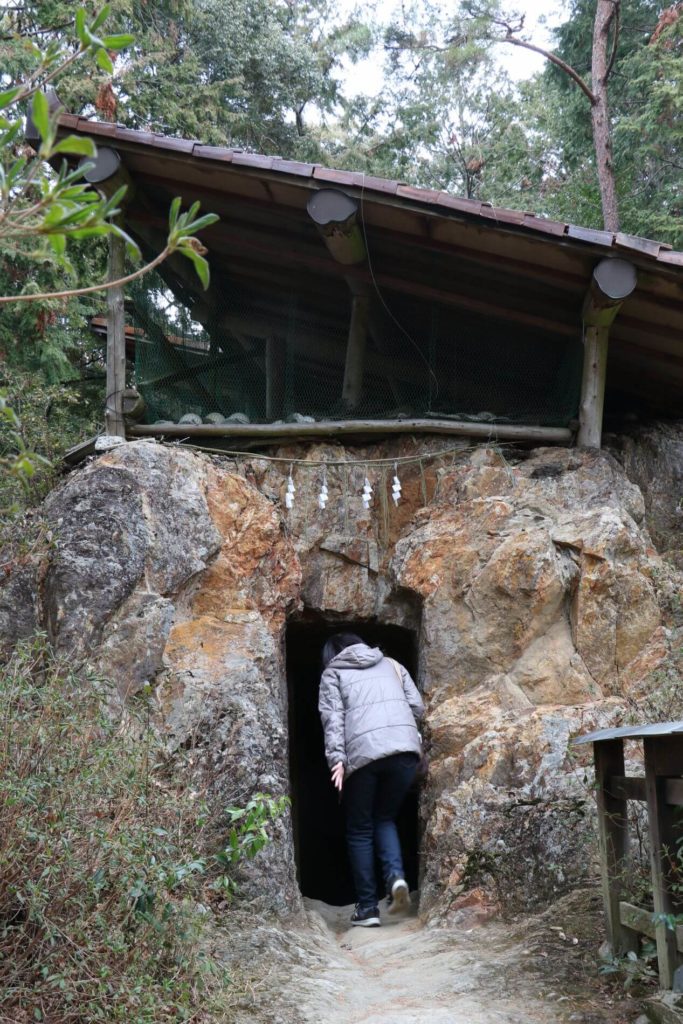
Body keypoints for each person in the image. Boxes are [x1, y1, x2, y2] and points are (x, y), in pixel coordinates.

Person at [318, 632, 425, 927]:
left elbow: (332, 719)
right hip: (404, 752)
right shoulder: (391, 664)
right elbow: (416, 706)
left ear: (331, 655)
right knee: (385, 818)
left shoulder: (332, 673)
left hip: (363, 756)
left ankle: (367, 908)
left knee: (360, 829)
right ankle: (395, 878)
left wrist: (337, 760)